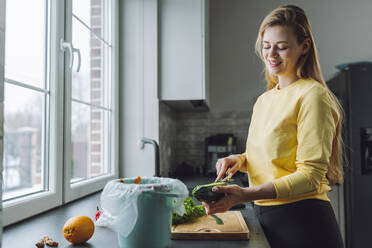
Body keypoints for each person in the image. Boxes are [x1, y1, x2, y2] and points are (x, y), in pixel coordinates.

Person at [202, 5, 345, 248]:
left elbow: (310, 176)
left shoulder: (313, 96)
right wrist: (240, 160)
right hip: (266, 217)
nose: (272, 54)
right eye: (267, 46)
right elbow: (274, 154)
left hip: (304, 221)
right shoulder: (265, 100)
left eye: (282, 47)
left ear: (304, 47)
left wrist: (246, 194)